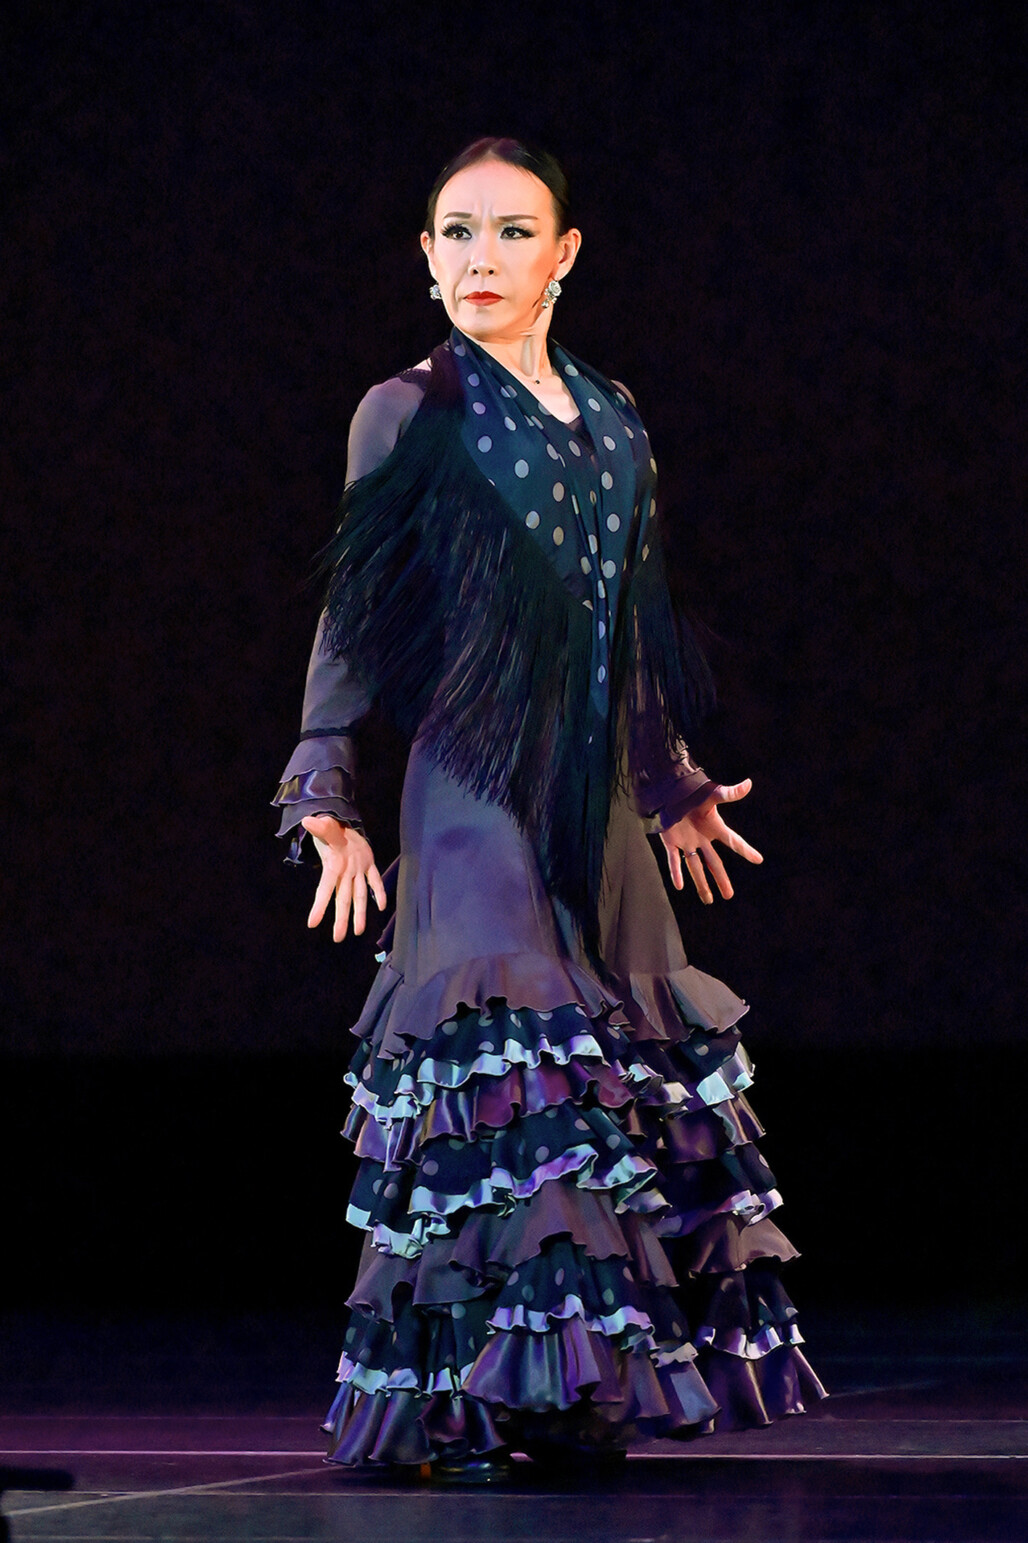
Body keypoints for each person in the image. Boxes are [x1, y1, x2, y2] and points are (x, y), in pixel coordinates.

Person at [273, 137, 826, 1481]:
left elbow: (625, 619)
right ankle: (468, 1406)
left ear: (564, 254)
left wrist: (668, 776)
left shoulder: (613, 417)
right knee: (508, 1078)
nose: (482, 258)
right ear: (426, 256)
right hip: (473, 783)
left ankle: (571, 1394)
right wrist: (323, 780)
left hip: (602, 801)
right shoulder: (408, 410)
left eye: (513, 232)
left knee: (609, 1081)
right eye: (457, 233)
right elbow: (356, 611)